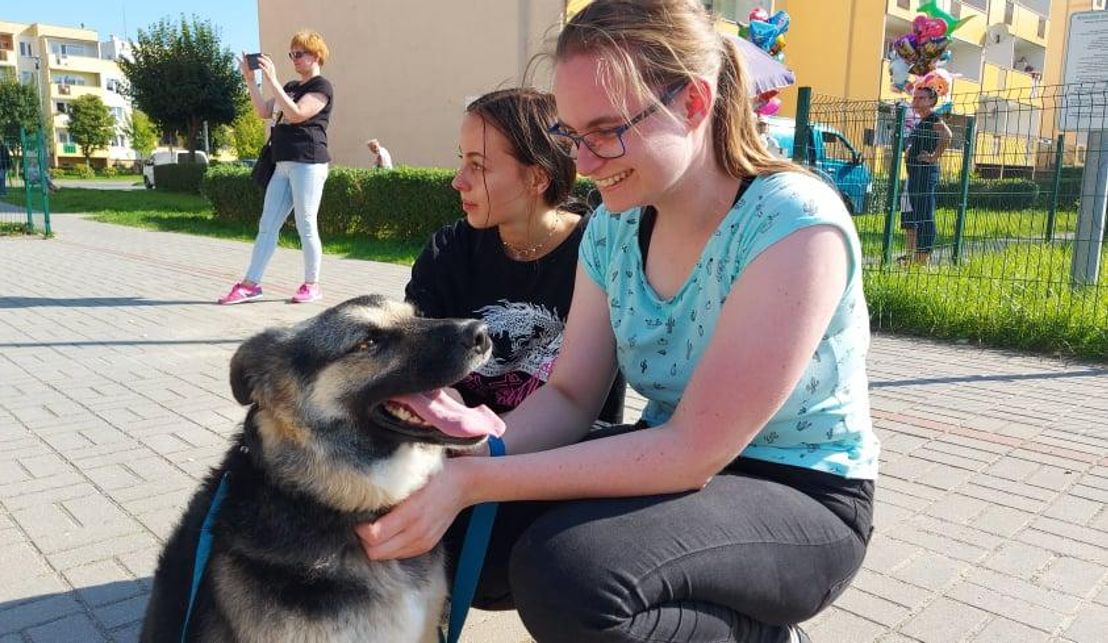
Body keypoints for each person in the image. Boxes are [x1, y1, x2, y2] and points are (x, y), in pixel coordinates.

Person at [357, 1, 877, 642]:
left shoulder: (793, 226)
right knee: (463, 538)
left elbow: (691, 452)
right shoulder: (614, 225)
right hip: (676, 462)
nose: (585, 163)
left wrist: (475, 477)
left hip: (800, 492)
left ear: (692, 103)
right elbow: (573, 395)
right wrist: (469, 455)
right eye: (573, 136)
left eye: (605, 131)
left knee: (572, 578)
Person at [405, 87, 625, 426]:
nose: (457, 181)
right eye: (461, 159)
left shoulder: (598, 251)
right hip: (459, 437)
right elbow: (418, 364)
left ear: (536, 178)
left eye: (477, 165)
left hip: (566, 451)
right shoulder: (449, 251)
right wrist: (463, 425)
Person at [219, 30, 334, 305]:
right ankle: (250, 284)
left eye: (300, 53)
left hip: (309, 162)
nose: (294, 59)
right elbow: (263, 111)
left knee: (306, 224)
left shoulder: (322, 87)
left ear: (316, 55)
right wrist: (251, 80)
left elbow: (296, 114)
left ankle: (311, 284)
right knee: (267, 224)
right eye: (291, 54)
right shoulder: (292, 85)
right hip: (282, 163)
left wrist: (271, 79)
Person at [902, 86, 951, 265]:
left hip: (925, 173)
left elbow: (947, 135)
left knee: (924, 215)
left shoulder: (932, 118)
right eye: (915, 98)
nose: (917, 101)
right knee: (918, 215)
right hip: (915, 173)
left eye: (922, 98)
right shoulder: (921, 122)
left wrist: (933, 157)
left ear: (932, 101)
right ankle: (918, 256)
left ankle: (923, 257)